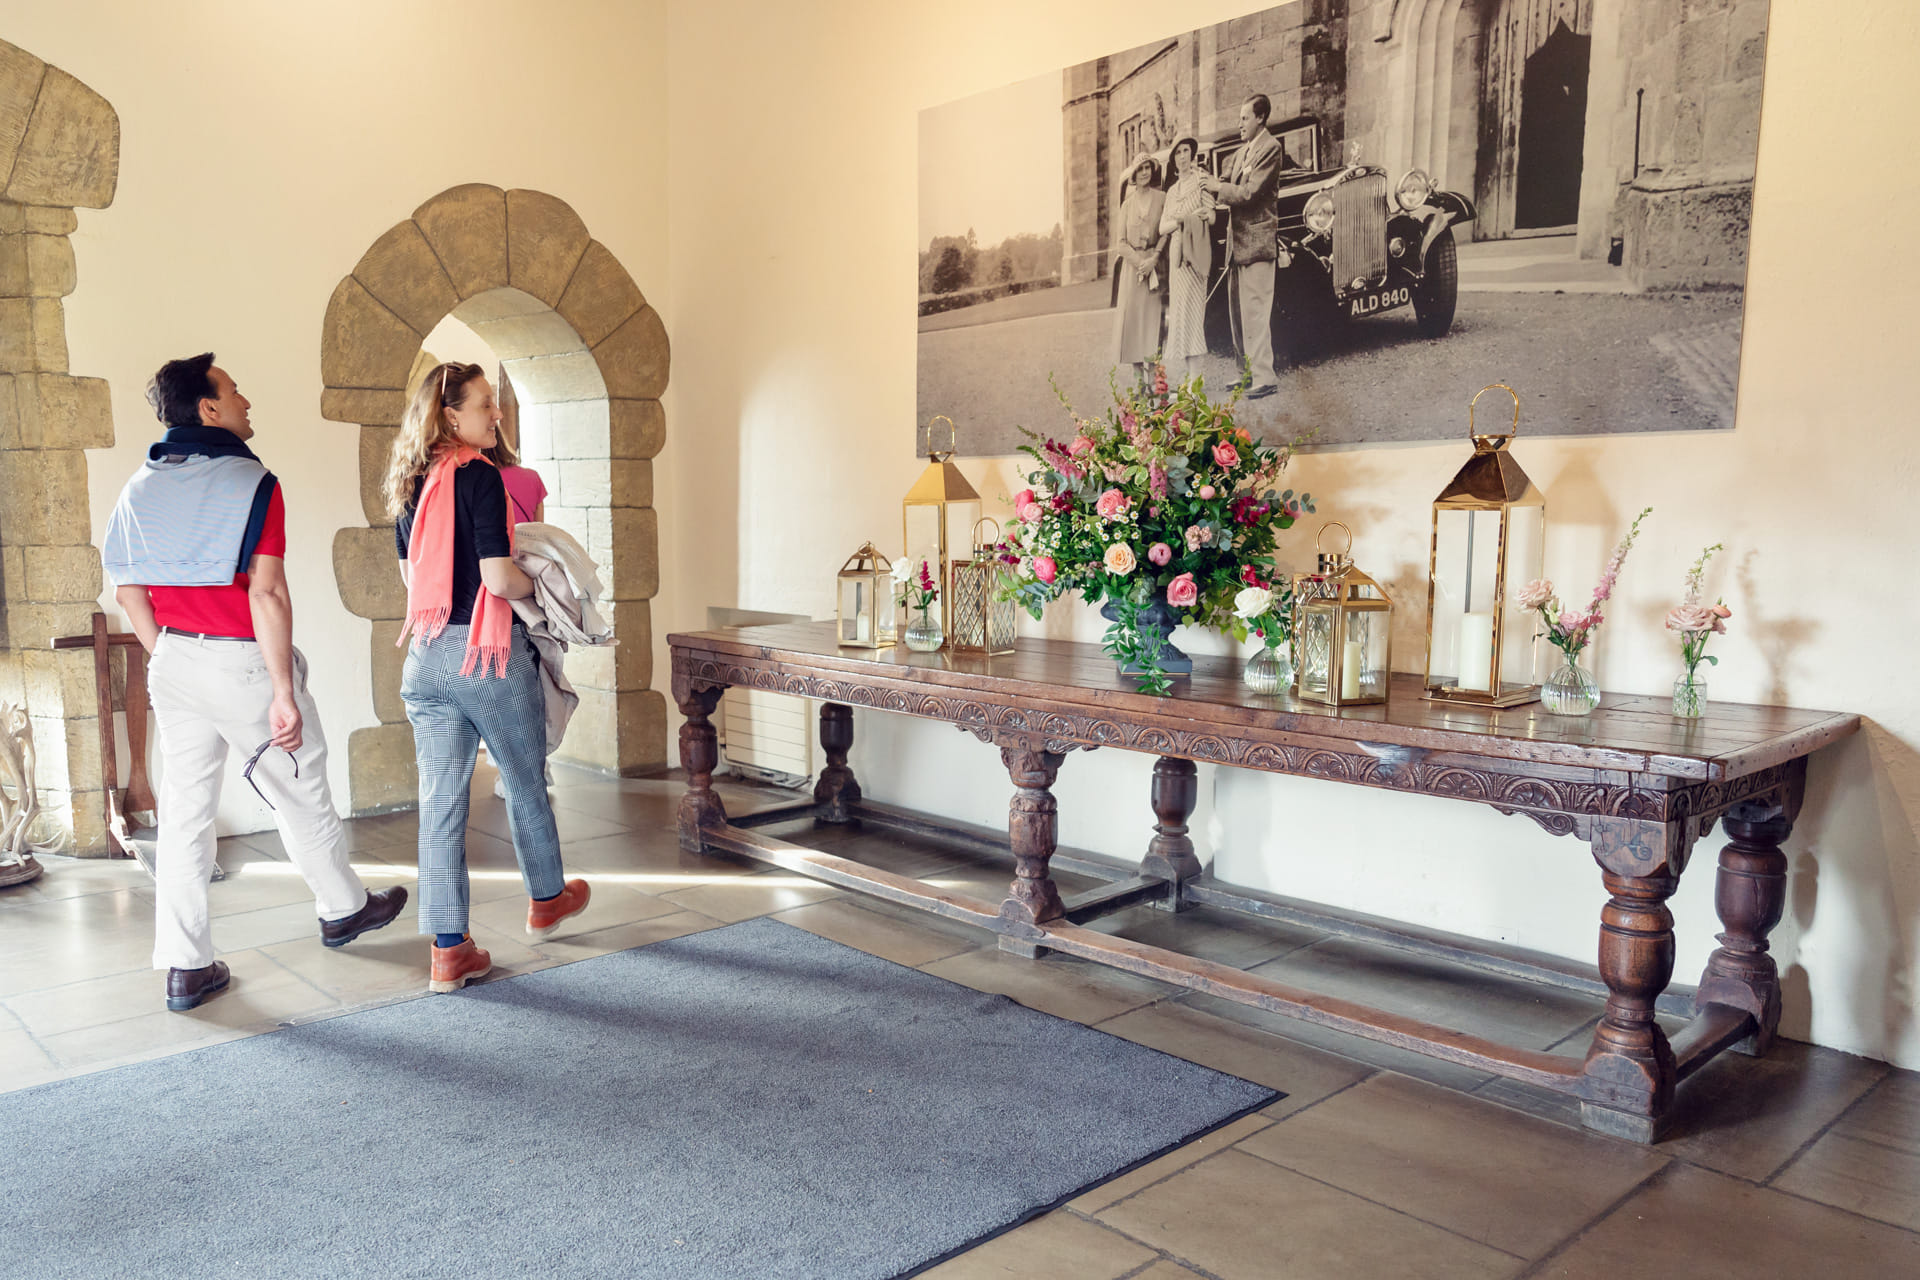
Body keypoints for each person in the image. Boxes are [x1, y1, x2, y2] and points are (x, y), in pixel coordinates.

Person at [103, 354, 407, 1012]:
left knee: (184, 816)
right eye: (234, 393)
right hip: (242, 660)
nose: (247, 403)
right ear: (208, 410)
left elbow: (130, 594)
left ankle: (186, 968)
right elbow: (267, 593)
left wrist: (173, 656)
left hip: (175, 663)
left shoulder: (138, 487)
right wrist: (280, 689)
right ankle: (343, 908)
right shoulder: (253, 483)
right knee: (299, 788)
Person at [387, 361, 590, 994]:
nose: (495, 414)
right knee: (525, 780)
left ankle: (449, 951)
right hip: (486, 654)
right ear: (451, 415)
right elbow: (499, 579)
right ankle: (547, 899)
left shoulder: (407, 481)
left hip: (424, 658)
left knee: (440, 807)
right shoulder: (479, 476)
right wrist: (548, 586)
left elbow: (411, 582)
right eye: (484, 404)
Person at [1203, 93, 1285, 398]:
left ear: (1261, 117)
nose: (1240, 124)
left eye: (1245, 118)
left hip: (1258, 244)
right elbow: (1221, 182)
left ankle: (1265, 377)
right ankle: (1246, 374)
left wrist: (1217, 187)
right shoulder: (1241, 153)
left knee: (1255, 312)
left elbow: (1249, 194)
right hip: (1237, 247)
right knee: (1237, 314)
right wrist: (1201, 182)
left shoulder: (1270, 148)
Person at [1158, 136, 1217, 386]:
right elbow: (1163, 227)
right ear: (1173, 159)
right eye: (1178, 152)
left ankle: (1195, 380)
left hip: (1196, 252)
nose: (1183, 156)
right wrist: (1181, 220)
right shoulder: (1172, 191)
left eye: (1186, 151)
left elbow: (1212, 217)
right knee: (1180, 314)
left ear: (1192, 154)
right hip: (1177, 256)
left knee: (1194, 313)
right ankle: (1190, 378)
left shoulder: (1201, 182)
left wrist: (1202, 216)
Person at [1110, 151, 1168, 376]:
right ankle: (1139, 382)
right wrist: (1139, 262)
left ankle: (1156, 380)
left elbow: (1166, 232)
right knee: (1133, 323)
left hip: (1155, 267)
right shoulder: (1127, 205)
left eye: (1147, 168)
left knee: (1153, 323)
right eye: (1140, 169)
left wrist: (1154, 258)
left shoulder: (1162, 198)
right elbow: (1121, 244)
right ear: (1134, 174)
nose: (1144, 173)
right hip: (1133, 272)